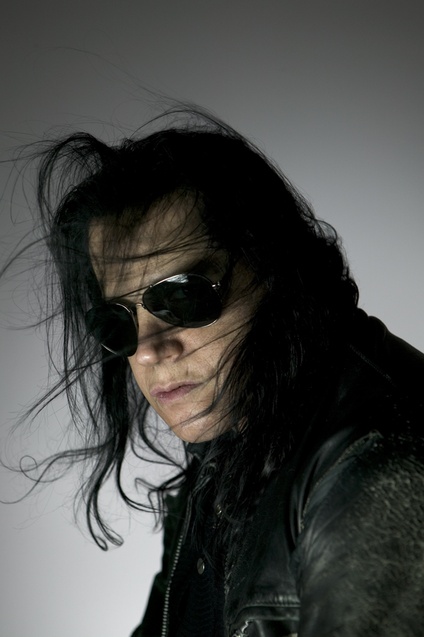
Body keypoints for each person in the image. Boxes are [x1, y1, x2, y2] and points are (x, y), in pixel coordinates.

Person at [3, 110, 424, 636]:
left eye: (182, 297)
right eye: (118, 322)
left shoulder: (375, 469)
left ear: (277, 271)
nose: (149, 350)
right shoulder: (228, 453)